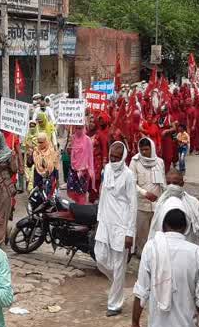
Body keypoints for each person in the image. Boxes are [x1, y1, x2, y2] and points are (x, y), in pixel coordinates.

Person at [95, 142, 137, 317]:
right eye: (111, 156)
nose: (113, 160)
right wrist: (98, 219)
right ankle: (117, 283)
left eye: (117, 158)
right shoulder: (107, 169)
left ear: (123, 157)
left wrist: (130, 232)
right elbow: (103, 194)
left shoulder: (128, 175)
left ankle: (115, 304)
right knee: (100, 257)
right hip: (105, 221)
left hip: (122, 224)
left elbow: (133, 204)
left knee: (120, 265)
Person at [150, 169, 199, 269]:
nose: (171, 186)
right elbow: (154, 230)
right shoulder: (161, 203)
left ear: (182, 183)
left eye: (175, 183)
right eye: (168, 183)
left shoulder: (193, 203)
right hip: (165, 257)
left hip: (189, 256)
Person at [129, 138, 166, 256]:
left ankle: (153, 256)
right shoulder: (134, 162)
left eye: (146, 149)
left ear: (152, 149)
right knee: (142, 234)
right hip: (141, 205)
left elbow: (163, 183)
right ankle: (142, 255)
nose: (144, 152)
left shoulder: (159, 162)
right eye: (142, 150)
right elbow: (131, 183)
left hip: (156, 205)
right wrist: (145, 193)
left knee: (156, 234)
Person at [67, 125, 94, 205]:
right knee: (71, 190)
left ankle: (81, 209)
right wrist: (69, 145)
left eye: (80, 128)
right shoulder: (73, 138)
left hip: (83, 170)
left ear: (84, 128)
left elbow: (90, 155)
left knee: (81, 192)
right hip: (73, 168)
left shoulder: (87, 140)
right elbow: (70, 153)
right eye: (77, 128)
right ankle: (77, 204)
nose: (78, 130)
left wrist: (90, 169)